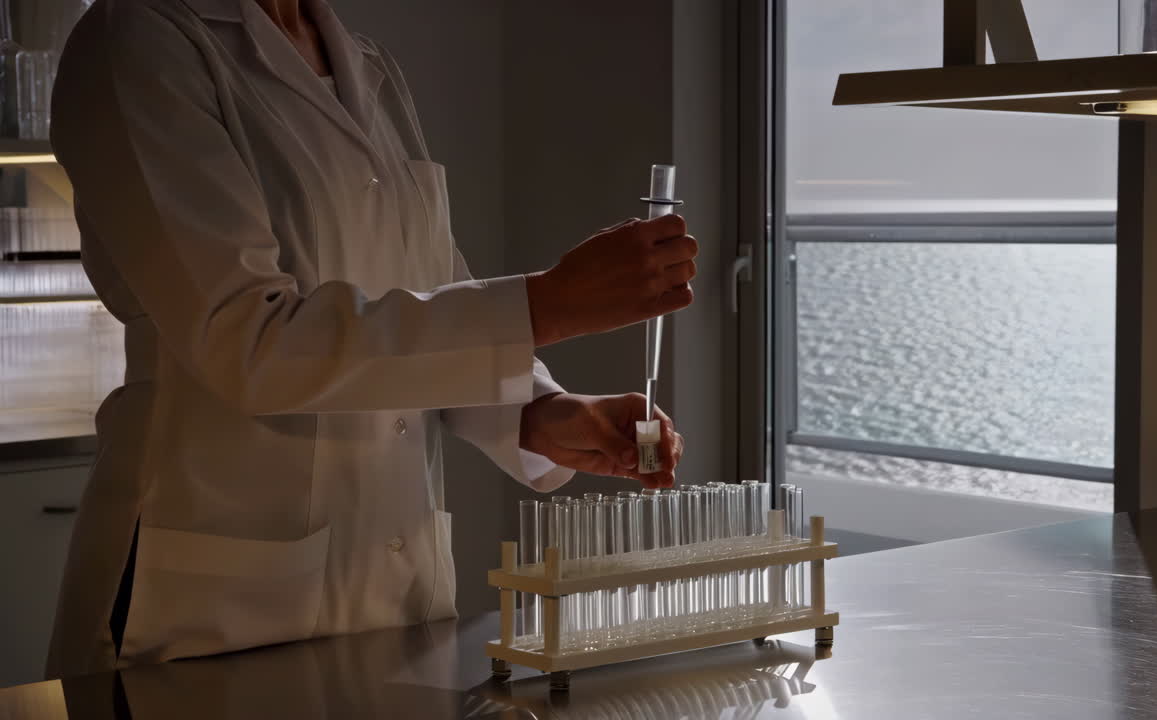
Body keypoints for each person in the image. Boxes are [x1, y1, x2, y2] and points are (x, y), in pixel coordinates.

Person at [45, 0, 698, 678]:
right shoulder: (139, 42)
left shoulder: (362, 60)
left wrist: (540, 413)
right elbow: (247, 343)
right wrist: (550, 302)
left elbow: (425, 296)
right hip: (214, 607)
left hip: (391, 597)